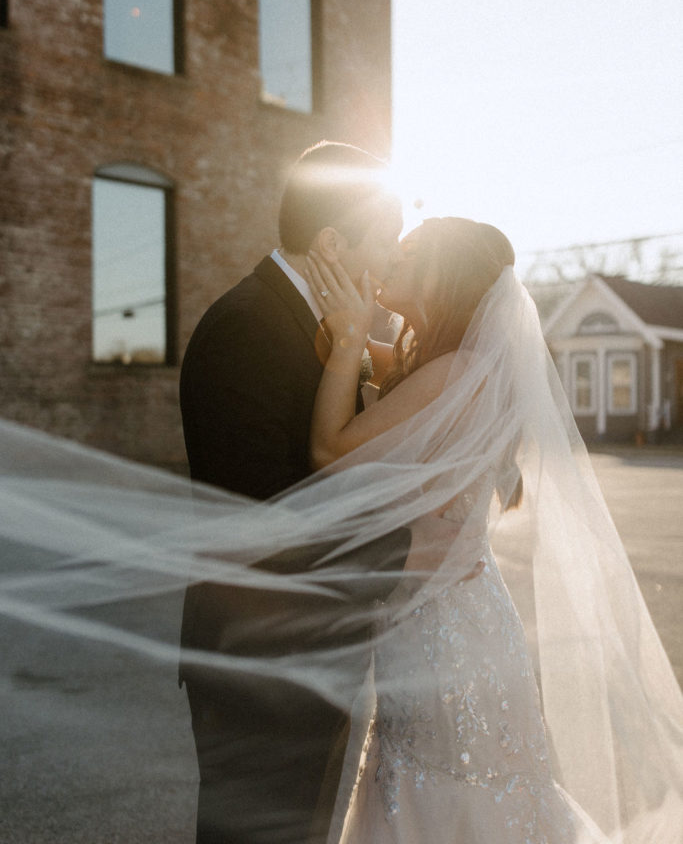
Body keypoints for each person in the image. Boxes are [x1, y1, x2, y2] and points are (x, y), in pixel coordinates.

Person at [302, 216, 683, 844]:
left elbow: (329, 448)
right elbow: (338, 353)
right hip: (448, 610)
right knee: (427, 781)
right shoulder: (444, 364)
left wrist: (349, 342)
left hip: (444, 630)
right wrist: (346, 319)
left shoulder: (456, 372)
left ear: (442, 278)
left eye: (411, 250)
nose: (394, 255)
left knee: (452, 789)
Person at [178, 141, 410, 844]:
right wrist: (405, 542)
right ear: (332, 243)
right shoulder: (248, 328)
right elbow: (265, 514)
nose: (390, 267)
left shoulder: (313, 328)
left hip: (307, 655)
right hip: (261, 661)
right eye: (385, 245)